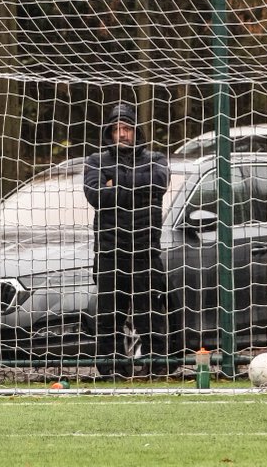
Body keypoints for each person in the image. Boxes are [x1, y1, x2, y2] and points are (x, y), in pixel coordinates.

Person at [83, 102, 171, 377]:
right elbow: (97, 195)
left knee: (151, 317)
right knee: (109, 318)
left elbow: (158, 182)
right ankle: (111, 370)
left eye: (127, 128)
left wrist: (116, 184)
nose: (122, 134)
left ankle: (157, 367)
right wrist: (138, 187)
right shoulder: (96, 161)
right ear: (109, 132)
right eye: (117, 129)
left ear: (136, 131)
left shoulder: (155, 159)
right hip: (110, 252)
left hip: (146, 251)